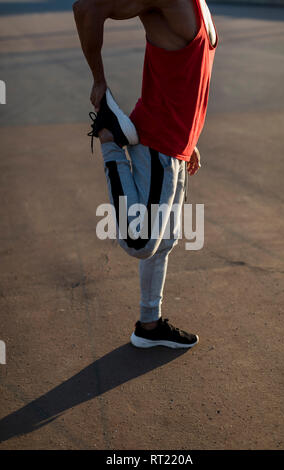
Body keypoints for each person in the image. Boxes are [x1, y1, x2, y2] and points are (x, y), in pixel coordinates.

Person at [73, 0, 218, 349]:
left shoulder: (200, 5)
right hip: (156, 140)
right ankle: (110, 137)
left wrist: (191, 138)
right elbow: (85, 8)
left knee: (165, 241)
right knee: (141, 242)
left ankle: (149, 326)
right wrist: (99, 82)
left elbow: (189, 75)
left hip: (177, 143)